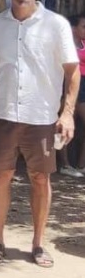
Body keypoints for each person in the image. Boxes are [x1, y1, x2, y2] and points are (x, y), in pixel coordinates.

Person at [0, 0, 79, 268]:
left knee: (40, 178)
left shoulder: (56, 24)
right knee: (3, 175)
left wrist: (68, 113)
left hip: (41, 115)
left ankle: (38, 244)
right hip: (3, 113)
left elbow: (72, 71)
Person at [58, 14, 85, 177]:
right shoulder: (66, 47)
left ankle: (81, 165)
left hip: (84, 85)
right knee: (65, 124)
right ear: (73, 28)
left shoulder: (83, 44)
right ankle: (65, 164)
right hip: (71, 85)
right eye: (83, 26)